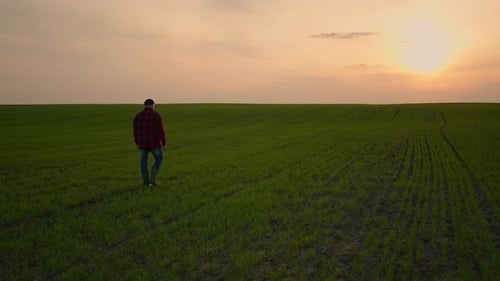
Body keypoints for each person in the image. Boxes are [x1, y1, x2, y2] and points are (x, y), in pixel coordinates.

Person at [133, 98, 168, 186]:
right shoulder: (156, 115)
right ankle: (152, 179)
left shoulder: (138, 116)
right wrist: (164, 143)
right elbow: (161, 131)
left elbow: (135, 131)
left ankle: (145, 182)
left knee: (143, 163)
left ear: (144, 105)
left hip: (142, 144)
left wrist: (137, 143)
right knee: (159, 158)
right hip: (154, 143)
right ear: (153, 105)